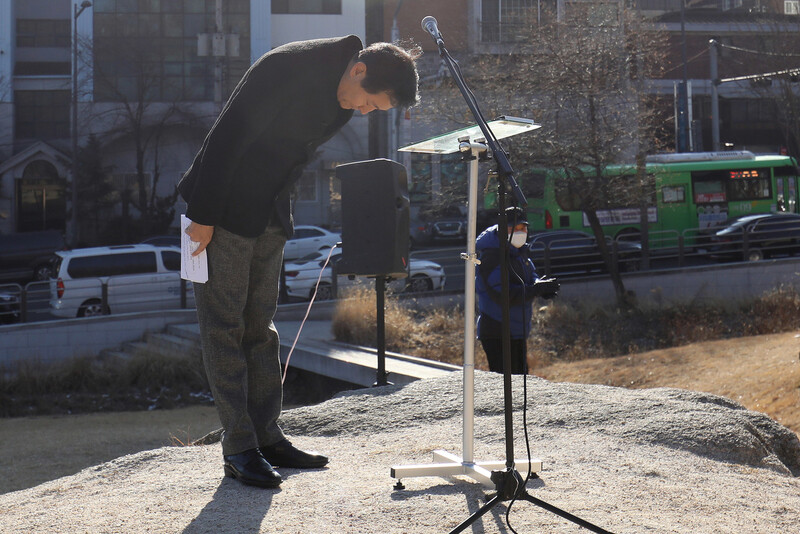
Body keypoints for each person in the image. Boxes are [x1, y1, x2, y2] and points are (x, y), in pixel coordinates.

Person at [178, 36, 420, 489]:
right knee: (224, 329)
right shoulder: (286, 67)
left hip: (268, 214)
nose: (364, 112)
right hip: (222, 211)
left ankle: (268, 437)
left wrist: (279, 216)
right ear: (359, 70)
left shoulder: (342, 97)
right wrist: (204, 216)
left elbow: (290, 157)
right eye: (370, 103)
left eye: (374, 111)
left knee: (261, 328)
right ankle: (239, 448)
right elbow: (228, 135)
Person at [475, 207, 559, 374]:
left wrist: (542, 286)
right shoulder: (491, 257)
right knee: (507, 385)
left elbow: (531, 277)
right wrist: (534, 290)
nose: (521, 232)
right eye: (516, 228)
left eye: (524, 228)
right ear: (503, 230)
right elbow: (502, 295)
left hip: (516, 329)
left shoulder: (519, 252)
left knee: (520, 382)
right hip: (497, 331)